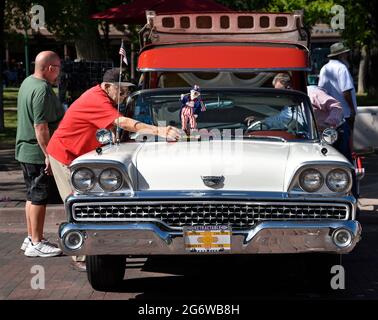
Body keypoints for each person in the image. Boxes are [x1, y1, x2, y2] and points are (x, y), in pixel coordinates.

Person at [15, 51, 64, 257]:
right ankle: (36, 242)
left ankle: (31, 237)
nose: (59, 73)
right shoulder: (42, 89)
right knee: (39, 198)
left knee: (31, 195)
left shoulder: (28, 82)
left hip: (25, 150)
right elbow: (40, 127)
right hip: (36, 152)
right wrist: (48, 155)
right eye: (58, 68)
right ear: (50, 68)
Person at [318, 42, 357, 132]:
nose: (347, 55)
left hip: (330, 114)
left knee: (333, 142)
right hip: (345, 113)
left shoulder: (324, 68)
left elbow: (321, 91)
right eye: (345, 53)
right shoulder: (342, 68)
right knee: (346, 140)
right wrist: (352, 109)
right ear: (340, 55)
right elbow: (346, 91)